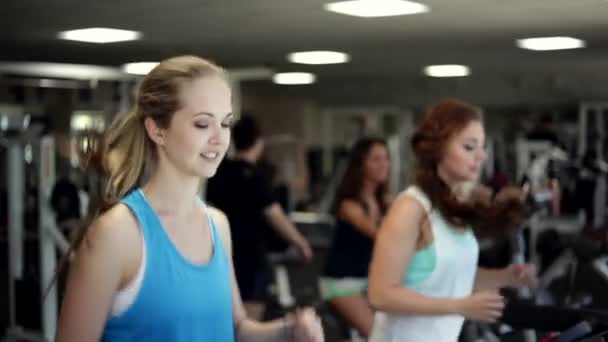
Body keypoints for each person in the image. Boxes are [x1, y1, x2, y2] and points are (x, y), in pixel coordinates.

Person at [56, 55, 323, 342]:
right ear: (157, 129)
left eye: (225, 123)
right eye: (202, 124)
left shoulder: (217, 225)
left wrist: (289, 331)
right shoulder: (117, 234)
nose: (220, 139)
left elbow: (236, 329)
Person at [367, 98, 537, 342]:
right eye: (469, 147)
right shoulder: (410, 208)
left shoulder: (451, 209)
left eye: (482, 147)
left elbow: (453, 275)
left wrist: (505, 276)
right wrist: (459, 306)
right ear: (438, 150)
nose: (481, 156)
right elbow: (380, 294)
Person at [206, 115, 313, 320]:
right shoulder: (255, 177)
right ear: (258, 142)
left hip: (220, 252)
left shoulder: (219, 172)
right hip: (250, 256)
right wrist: (300, 243)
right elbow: (274, 215)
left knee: (227, 316)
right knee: (247, 319)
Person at [320, 137, 390, 338]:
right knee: (379, 336)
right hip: (341, 282)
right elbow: (382, 237)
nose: (383, 164)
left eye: (386, 158)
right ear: (361, 165)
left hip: (368, 281)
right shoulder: (349, 206)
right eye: (376, 159)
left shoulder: (385, 201)